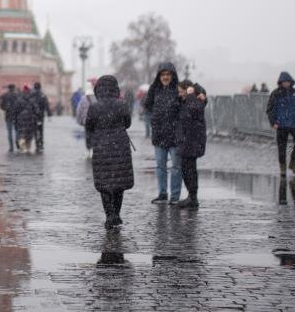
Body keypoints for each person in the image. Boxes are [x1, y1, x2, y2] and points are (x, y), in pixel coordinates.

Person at [142, 62, 206, 204]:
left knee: (176, 167)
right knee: (160, 166)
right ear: (159, 76)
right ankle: (162, 193)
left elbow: (196, 92)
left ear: (172, 75)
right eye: (162, 75)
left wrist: (201, 93)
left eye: (168, 74)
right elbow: (146, 104)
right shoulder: (155, 90)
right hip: (159, 134)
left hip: (175, 136)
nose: (165, 77)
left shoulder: (178, 89)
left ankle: (175, 196)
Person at [84, 75, 133, 229]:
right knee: (119, 183)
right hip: (120, 147)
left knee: (105, 183)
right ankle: (117, 214)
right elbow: (128, 123)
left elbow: (89, 126)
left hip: (101, 147)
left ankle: (109, 215)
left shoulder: (94, 107)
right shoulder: (122, 105)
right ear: (115, 89)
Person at [265, 71, 295, 175]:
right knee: (282, 148)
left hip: (294, 123)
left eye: (288, 81)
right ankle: (282, 169)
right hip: (281, 124)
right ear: (281, 82)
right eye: (284, 81)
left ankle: (293, 163)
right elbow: (270, 109)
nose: (286, 83)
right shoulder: (276, 93)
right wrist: (273, 122)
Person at [175, 80, 206, 209]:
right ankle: (191, 197)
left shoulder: (194, 101)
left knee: (190, 170)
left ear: (187, 90)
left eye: (181, 92)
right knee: (187, 170)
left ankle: (193, 198)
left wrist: (192, 93)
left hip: (192, 141)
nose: (179, 94)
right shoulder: (187, 101)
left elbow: (194, 109)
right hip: (187, 141)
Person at [14, 85, 39, 153]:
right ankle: (28, 148)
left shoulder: (19, 99)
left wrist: (16, 119)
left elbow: (15, 110)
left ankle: (23, 148)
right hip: (30, 119)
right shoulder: (33, 100)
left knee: (21, 134)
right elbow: (37, 110)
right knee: (29, 135)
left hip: (21, 119)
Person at [74, 82, 96, 159]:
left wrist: (79, 120)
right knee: (95, 135)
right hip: (95, 121)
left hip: (86, 121)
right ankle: (93, 149)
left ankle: (89, 150)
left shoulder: (83, 99)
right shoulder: (96, 98)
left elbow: (78, 110)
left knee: (88, 136)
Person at [30, 82, 52, 153]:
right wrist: (49, 114)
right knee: (40, 130)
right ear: (40, 87)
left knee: (35, 130)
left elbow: (29, 105)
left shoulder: (32, 95)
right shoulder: (43, 95)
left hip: (33, 115)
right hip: (41, 116)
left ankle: (37, 144)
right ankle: (41, 144)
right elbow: (47, 105)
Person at [0, 84, 18, 152]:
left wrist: (6, 109)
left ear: (8, 88)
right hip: (16, 115)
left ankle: (11, 147)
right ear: (14, 88)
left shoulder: (5, 95)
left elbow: (1, 106)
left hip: (8, 115)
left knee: (9, 132)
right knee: (17, 131)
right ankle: (17, 142)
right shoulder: (17, 95)